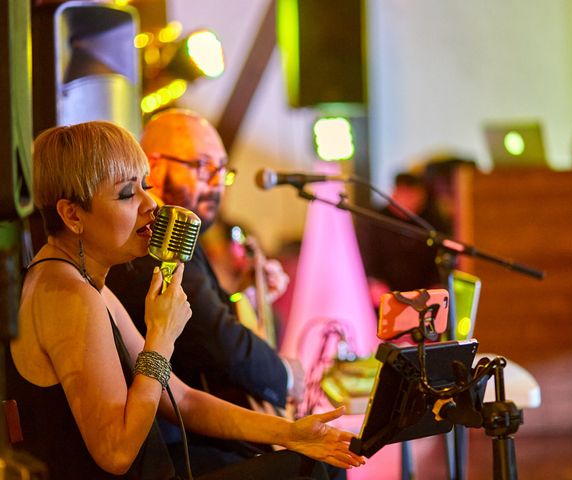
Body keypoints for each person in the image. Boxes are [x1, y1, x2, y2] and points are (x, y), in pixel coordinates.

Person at [7, 121, 364, 479]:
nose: (151, 204)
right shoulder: (67, 295)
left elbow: (184, 399)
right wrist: (160, 337)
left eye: (146, 186)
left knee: (318, 462)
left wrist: (291, 433)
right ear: (72, 215)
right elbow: (116, 454)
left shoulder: (86, 283)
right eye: (128, 194)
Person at [105, 109, 308, 473]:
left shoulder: (179, 239)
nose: (217, 183)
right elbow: (215, 341)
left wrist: (238, 292)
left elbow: (195, 332)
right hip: (165, 446)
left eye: (222, 171)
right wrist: (286, 377)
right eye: (203, 167)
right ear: (152, 165)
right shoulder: (152, 245)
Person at [355, 172, 442, 309]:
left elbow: (437, 259)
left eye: (414, 195)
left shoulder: (431, 223)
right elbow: (365, 255)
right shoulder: (375, 220)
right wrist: (373, 281)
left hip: (422, 297)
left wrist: (436, 286)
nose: (411, 200)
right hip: (383, 296)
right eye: (406, 194)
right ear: (395, 193)